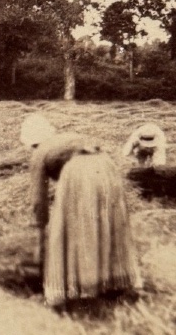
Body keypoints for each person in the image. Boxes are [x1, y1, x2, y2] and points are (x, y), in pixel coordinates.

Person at [20, 113, 140, 309]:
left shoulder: (39, 153)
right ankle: (116, 282)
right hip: (107, 167)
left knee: (76, 228)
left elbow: (38, 200)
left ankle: (84, 289)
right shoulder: (65, 138)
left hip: (79, 173)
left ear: (32, 142)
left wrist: (40, 230)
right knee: (106, 222)